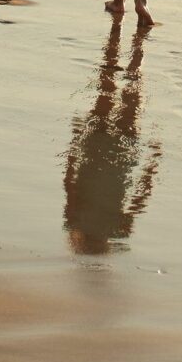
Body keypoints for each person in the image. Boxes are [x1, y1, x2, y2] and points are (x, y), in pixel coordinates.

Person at [63, 16, 161, 255]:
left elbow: (139, 199)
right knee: (109, 93)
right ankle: (126, 46)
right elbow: (69, 185)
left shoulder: (115, 230)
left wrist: (151, 168)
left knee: (128, 97)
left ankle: (131, 47)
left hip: (113, 157)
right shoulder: (114, 231)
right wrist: (74, 148)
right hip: (105, 154)